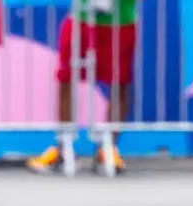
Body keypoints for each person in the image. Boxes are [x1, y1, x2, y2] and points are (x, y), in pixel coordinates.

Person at [28, 0, 138, 174]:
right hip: (81, 19)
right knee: (66, 78)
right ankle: (64, 147)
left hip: (121, 21)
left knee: (119, 82)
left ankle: (108, 149)